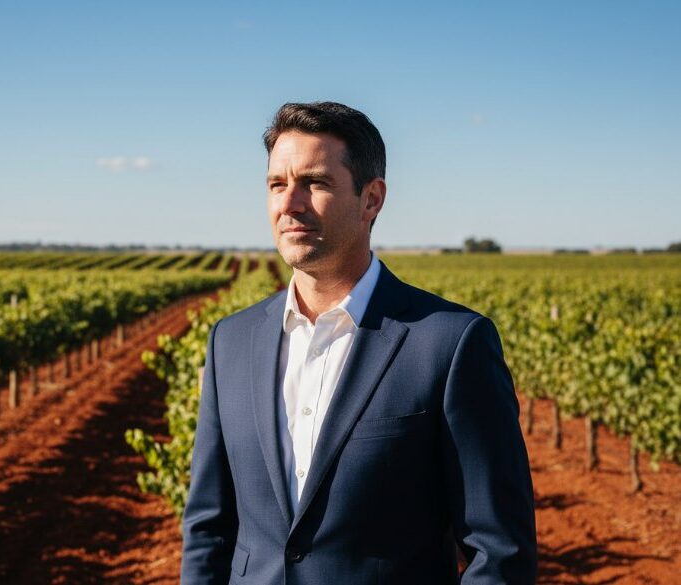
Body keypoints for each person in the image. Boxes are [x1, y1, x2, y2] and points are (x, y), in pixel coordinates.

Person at [180, 101, 537, 584]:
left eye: (316, 183)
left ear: (371, 199)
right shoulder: (230, 342)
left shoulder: (451, 343)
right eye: (277, 185)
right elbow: (209, 530)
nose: (290, 204)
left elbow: (500, 552)